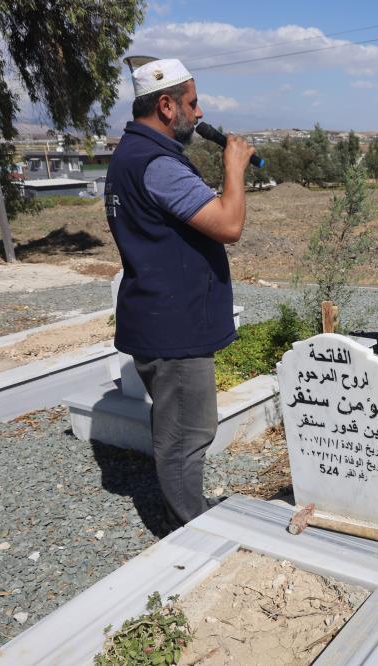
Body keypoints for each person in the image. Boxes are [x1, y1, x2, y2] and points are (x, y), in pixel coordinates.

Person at [105, 57, 255, 529]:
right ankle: (189, 526)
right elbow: (228, 224)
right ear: (167, 105)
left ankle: (184, 512)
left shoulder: (134, 153)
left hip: (160, 315)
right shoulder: (157, 164)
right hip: (174, 324)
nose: (200, 111)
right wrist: (234, 167)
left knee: (178, 427)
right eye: (192, 102)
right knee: (188, 432)